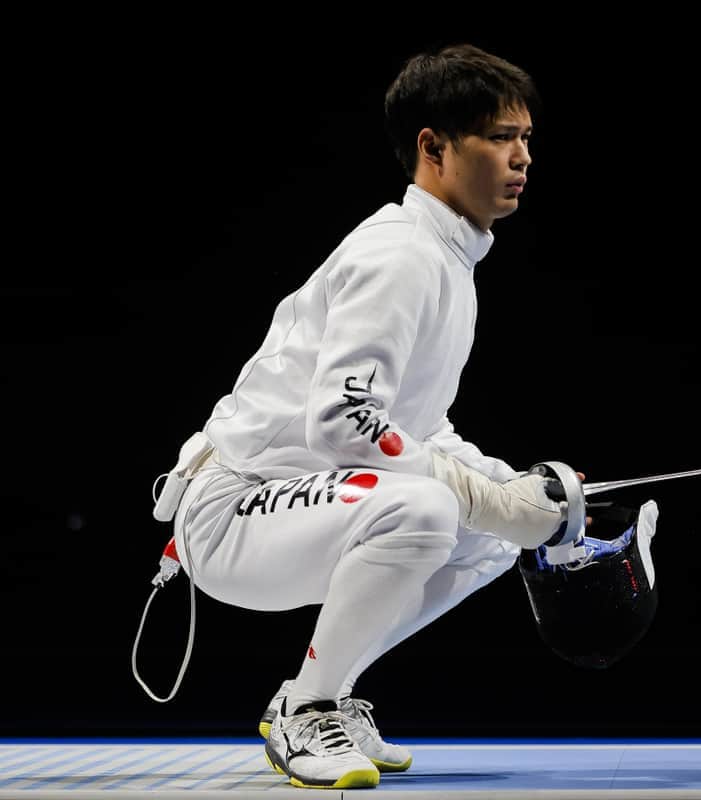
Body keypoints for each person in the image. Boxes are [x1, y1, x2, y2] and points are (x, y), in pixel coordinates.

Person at [161, 43, 577, 790]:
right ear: (434, 147)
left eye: (527, 139)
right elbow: (345, 424)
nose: (522, 158)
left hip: (306, 506)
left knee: (489, 540)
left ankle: (317, 693)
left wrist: (516, 488)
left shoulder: (449, 262)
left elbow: (418, 429)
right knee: (428, 508)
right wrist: (482, 496)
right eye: (499, 138)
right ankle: (305, 713)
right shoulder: (403, 255)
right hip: (231, 509)